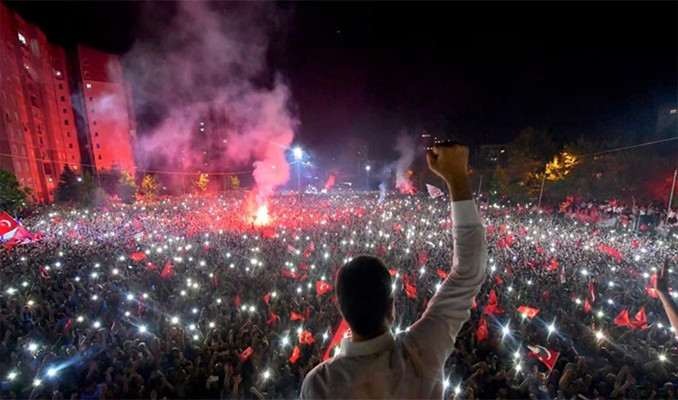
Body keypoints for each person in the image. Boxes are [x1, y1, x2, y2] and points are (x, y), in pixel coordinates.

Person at [300, 144, 487, 399]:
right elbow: (469, 270)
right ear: (391, 306)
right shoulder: (422, 352)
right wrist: (456, 177)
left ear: (339, 306)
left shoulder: (319, 385)